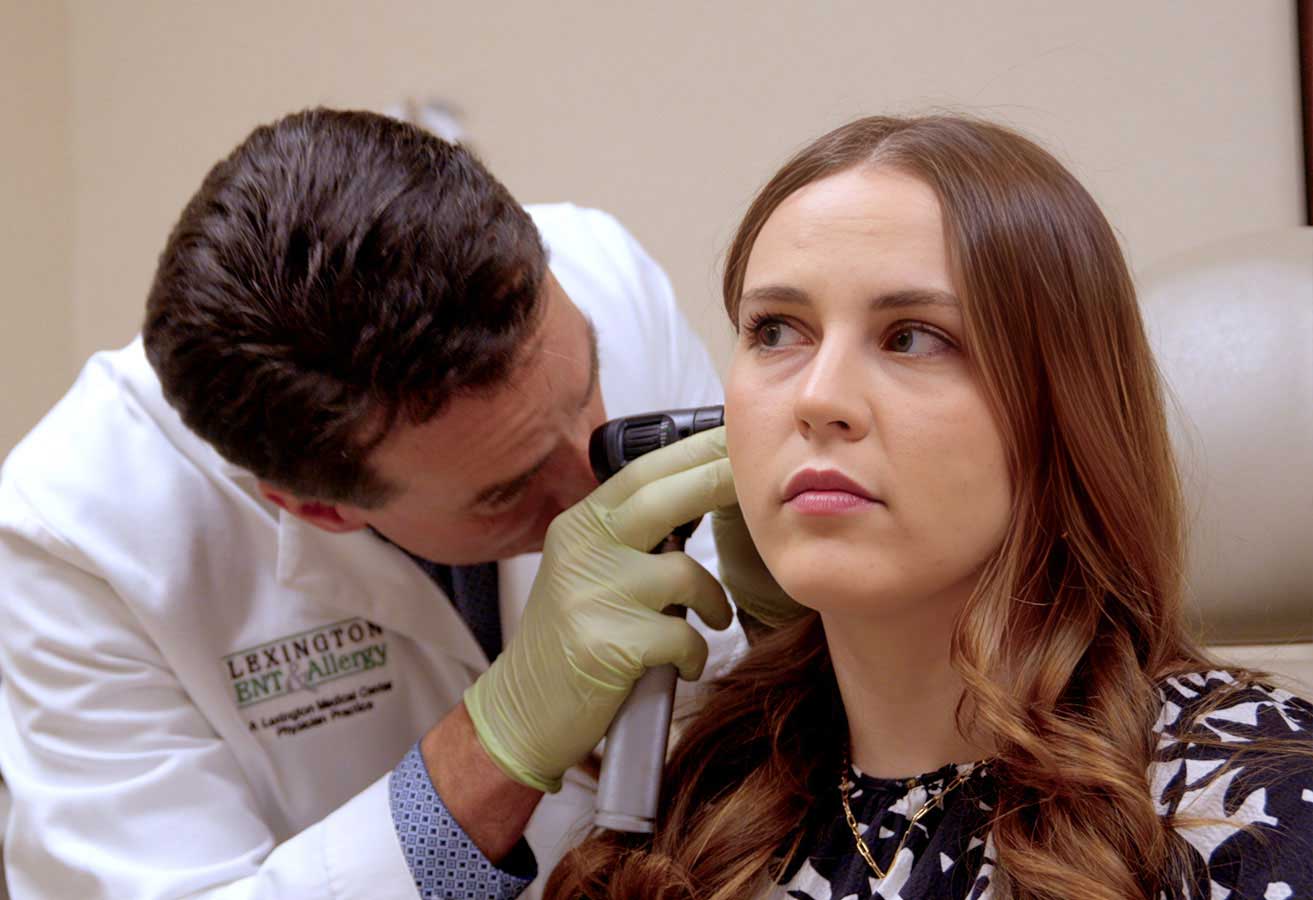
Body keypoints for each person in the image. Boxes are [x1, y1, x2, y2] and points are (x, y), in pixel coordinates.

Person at [0, 108, 794, 899]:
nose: (594, 488)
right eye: (507, 491)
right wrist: (496, 742)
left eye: (588, 389)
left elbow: (709, 694)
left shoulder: (599, 274)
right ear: (316, 509)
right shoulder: (76, 533)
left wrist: (788, 635)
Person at [546, 115, 1313, 899]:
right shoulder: (699, 807)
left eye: (911, 337)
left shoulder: (1249, 807)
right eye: (775, 330)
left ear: (1059, 409)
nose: (817, 397)